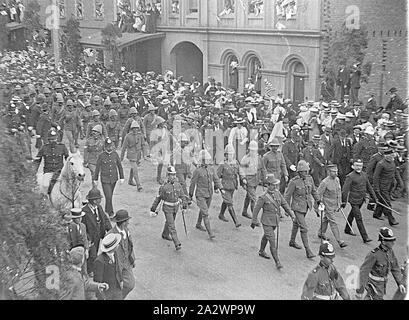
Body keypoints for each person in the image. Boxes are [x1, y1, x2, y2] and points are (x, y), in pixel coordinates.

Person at [251, 174, 295, 269]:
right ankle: (277, 261)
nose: (275, 187)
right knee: (272, 240)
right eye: (272, 185)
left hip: (275, 221)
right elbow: (256, 209)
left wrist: (291, 214)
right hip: (266, 221)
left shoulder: (277, 193)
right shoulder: (263, 197)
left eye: (275, 185)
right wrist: (254, 221)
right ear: (268, 185)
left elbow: (284, 204)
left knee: (266, 236)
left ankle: (261, 251)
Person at [356, 227, 406, 300]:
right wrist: (360, 291)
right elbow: (363, 272)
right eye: (390, 240)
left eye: (393, 240)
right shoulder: (374, 254)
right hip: (373, 286)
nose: (393, 242)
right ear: (383, 241)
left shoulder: (390, 252)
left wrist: (400, 283)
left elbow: (395, 268)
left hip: (382, 286)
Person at [284, 160, 321, 259]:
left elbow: (313, 191)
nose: (306, 173)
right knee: (304, 228)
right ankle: (308, 250)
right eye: (304, 171)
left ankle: (292, 241)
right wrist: (287, 210)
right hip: (297, 207)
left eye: (307, 171)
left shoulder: (310, 179)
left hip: (306, 206)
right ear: (299, 172)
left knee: (297, 223)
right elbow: (287, 196)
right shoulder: (294, 182)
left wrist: (318, 201)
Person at [151, 166, 189, 250]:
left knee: (169, 222)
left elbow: (182, 196)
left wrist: (184, 206)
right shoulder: (164, 187)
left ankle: (165, 234)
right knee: (172, 226)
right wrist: (153, 209)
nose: (173, 177)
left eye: (174, 175)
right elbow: (158, 198)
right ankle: (177, 243)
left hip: (176, 207)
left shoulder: (178, 185)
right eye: (171, 175)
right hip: (167, 208)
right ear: (167, 175)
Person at [341, 159, 377, 243]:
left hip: (361, 199)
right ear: (353, 166)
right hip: (353, 200)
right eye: (356, 165)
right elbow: (345, 190)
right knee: (359, 218)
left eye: (360, 165)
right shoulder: (350, 176)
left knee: (352, 214)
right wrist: (343, 201)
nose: (358, 167)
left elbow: (369, 187)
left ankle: (347, 229)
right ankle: (365, 237)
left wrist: (374, 198)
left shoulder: (364, 175)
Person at [189, 149, 223, 239]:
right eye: (206, 159)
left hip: (209, 194)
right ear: (202, 160)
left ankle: (198, 224)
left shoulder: (211, 169)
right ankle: (210, 232)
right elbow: (192, 183)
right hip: (200, 195)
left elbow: (216, 179)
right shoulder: (197, 171)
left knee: (204, 210)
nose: (208, 161)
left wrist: (221, 188)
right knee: (205, 213)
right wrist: (190, 195)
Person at [82, 188, 112, 276]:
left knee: (96, 252)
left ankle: (91, 268)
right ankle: (89, 270)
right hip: (91, 238)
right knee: (92, 255)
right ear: (94, 200)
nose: (100, 200)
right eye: (99, 198)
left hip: (99, 235)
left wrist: (110, 230)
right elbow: (83, 228)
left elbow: (105, 219)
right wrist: (88, 239)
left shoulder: (99, 207)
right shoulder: (84, 211)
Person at [316, 165, 347, 248]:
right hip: (327, 205)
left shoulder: (337, 180)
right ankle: (339, 241)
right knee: (333, 222)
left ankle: (321, 232)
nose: (336, 173)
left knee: (326, 218)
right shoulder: (324, 182)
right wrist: (318, 206)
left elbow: (339, 192)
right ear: (328, 172)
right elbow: (318, 194)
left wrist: (339, 202)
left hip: (334, 205)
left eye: (337, 171)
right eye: (334, 171)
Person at [107, 210, 136, 299]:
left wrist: (132, 258)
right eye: (127, 220)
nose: (128, 222)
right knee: (118, 286)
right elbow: (107, 253)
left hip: (126, 262)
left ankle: (118, 297)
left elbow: (130, 245)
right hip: (116, 266)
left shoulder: (126, 230)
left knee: (130, 284)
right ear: (123, 222)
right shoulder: (111, 235)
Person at [94, 138, 124, 217]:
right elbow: (97, 168)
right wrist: (95, 179)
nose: (109, 148)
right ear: (104, 147)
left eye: (110, 146)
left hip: (113, 179)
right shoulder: (101, 156)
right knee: (108, 196)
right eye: (107, 146)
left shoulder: (115, 154)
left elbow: (119, 166)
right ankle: (111, 213)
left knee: (109, 197)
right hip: (105, 179)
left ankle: (107, 210)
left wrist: (122, 177)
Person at [34, 128, 69, 196]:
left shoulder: (62, 147)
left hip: (60, 172)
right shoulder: (44, 148)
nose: (53, 141)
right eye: (51, 139)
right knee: (45, 185)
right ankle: (46, 201)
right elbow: (37, 161)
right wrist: (33, 172)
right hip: (48, 171)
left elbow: (68, 160)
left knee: (67, 186)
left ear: (57, 139)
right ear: (48, 140)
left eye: (54, 139)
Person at [239, 140, 267, 219]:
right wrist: (243, 178)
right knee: (254, 199)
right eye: (251, 150)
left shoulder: (258, 158)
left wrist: (265, 178)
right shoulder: (245, 159)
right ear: (249, 150)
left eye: (254, 150)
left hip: (256, 180)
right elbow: (241, 169)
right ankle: (255, 219)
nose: (253, 152)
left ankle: (244, 211)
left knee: (249, 196)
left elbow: (262, 168)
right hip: (248, 181)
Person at [372, 149, 400, 226]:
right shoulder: (380, 164)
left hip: (390, 185)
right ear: (386, 156)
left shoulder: (392, 162)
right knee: (387, 202)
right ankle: (391, 219)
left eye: (392, 155)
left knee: (382, 200)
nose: (391, 157)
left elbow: (395, 173)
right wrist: (376, 188)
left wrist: (399, 182)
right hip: (382, 186)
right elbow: (376, 176)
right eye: (390, 156)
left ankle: (377, 214)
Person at [217, 144, 241, 227]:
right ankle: (236, 221)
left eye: (232, 154)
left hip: (232, 185)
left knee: (226, 201)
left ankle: (221, 214)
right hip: (225, 186)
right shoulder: (222, 164)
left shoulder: (235, 163)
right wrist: (216, 187)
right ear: (226, 155)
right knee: (230, 203)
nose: (231, 156)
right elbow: (217, 176)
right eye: (229, 154)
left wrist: (243, 180)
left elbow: (239, 172)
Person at [93, 233, 124, 300]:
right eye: (116, 245)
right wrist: (102, 297)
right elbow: (98, 281)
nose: (118, 245)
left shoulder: (115, 253)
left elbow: (118, 267)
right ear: (112, 248)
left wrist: (121, 280)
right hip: (107, 294)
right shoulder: (99, 261)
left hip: (116, 289)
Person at [120, 120, 144, 191]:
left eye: (137, 128)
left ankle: (130, 180)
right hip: (131, 154)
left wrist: (145, 155)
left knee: (134, 168)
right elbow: (124, 147)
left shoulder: (140, 135)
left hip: (138, 154)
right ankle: (139, 185)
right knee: (135, 169)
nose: (135, 130)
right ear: (131, 128)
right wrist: (121, 157)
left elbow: (143, 145)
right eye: (134, 128)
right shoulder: (128, 136)